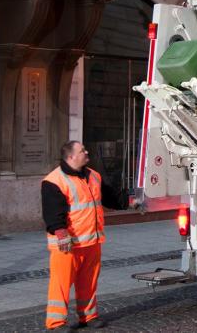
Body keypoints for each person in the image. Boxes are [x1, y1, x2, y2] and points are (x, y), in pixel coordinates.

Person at [41, 141, 130, 330]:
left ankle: (88, 317)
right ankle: (56, 323)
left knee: (88, 283)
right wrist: (61, 233)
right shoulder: (54, 180)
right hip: (67, 244)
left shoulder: (93, 176)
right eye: (82, 150)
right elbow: (52, 212)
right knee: (61, 284)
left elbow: (110, 198)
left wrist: (131, 202)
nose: (86, 152)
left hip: (91, 241)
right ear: (71, 156)